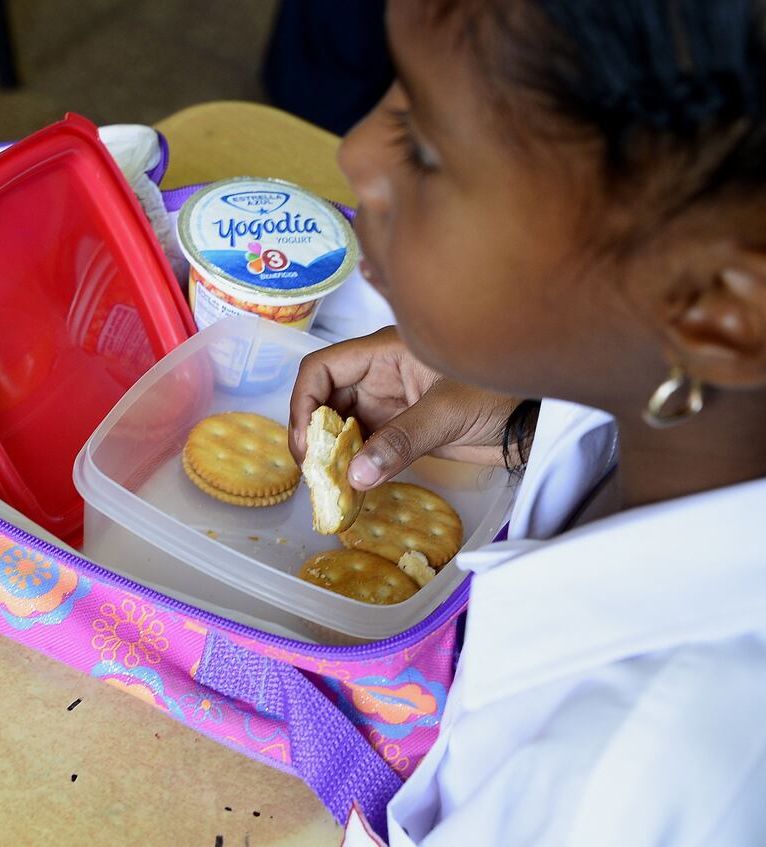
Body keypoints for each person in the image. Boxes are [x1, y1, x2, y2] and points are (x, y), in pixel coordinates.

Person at [289, 1, 766, 844]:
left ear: (716, 311)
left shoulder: (630, 784)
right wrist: (529, 409)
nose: (356, 151)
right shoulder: (671, 403)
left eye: (427, 145)